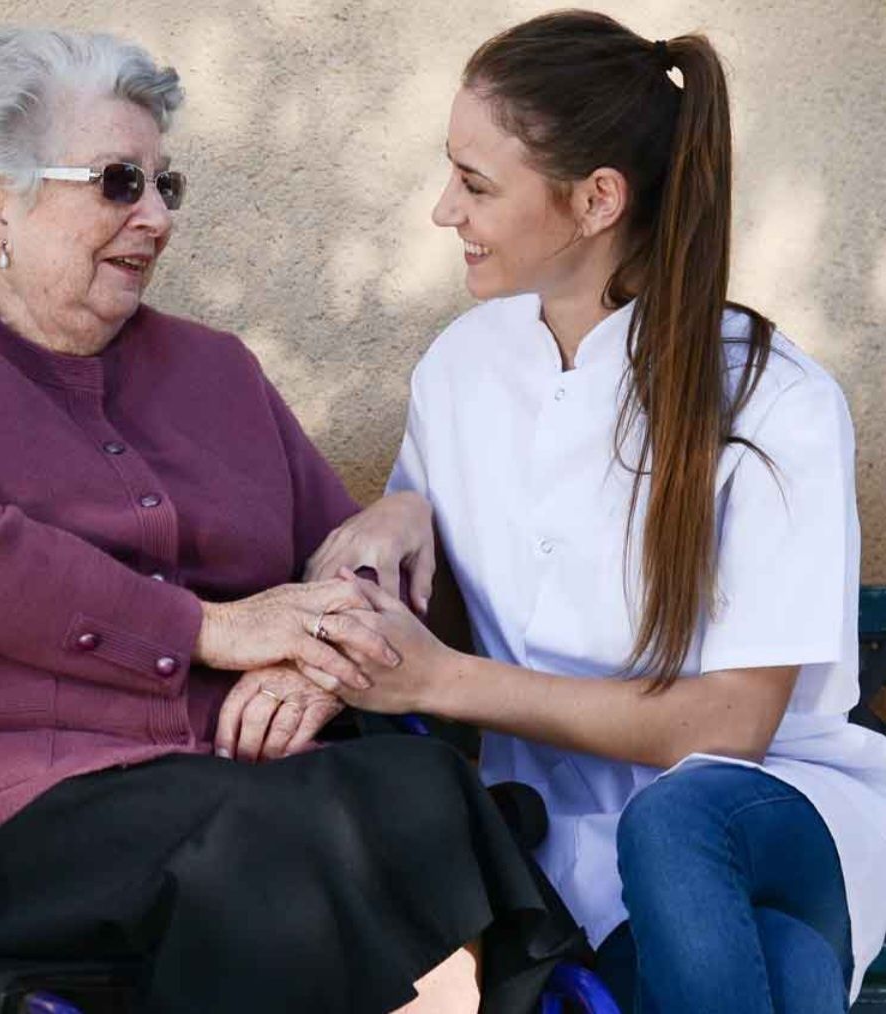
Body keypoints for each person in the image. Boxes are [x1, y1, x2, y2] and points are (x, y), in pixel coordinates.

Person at [0, 28, 578, 1014]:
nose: (158, 216)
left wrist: (315, 659)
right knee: (318, 836)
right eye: (120, 183)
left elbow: (340, 561)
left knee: (415, 784)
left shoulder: (217, 371)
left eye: (169, 186)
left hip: (263, 790)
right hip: (20, 803)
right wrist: (212, 629)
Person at [306, 11, 886, 1013]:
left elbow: (727, 728)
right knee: (784, 970)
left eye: (477, 184)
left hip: (773, 814)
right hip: (573, 867)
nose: (447, 211)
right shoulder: (463, 369)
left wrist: (452, 682)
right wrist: (396, 515)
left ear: (595, 201)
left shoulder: (772, 400)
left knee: (677, 821)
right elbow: (404, 566)